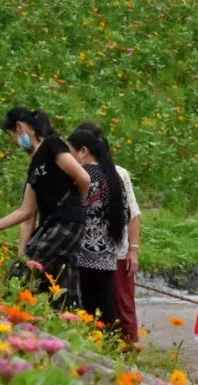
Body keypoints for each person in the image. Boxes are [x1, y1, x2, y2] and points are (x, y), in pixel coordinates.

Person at [0, 108, 91, 305]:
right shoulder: (35, 165)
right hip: (52, 225)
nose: (15, 142)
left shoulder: (52, 145)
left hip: (65, 223)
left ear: (20, 127)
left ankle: (6, 313)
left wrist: (75, 206)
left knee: (20, 276)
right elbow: (26, 212)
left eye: (12, 136)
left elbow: (83, 178)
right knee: (63, 289)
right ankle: (70, 324)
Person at [75, 122, 143, 346]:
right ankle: (116, 350)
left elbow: (133, 214)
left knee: (119, 305)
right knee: (109, 305)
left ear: (85, 149)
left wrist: (133, 250)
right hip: (110, 251)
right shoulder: (111, 174)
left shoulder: (115, 174)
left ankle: (126, 348)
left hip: (110, 253)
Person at [66, 125, 131, 328]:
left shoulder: (84, 176)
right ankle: (109, 344)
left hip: (84, 254)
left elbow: (72, 210)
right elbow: (127, 214)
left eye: (71, 152)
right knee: (105, 307)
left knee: (84, 308)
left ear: (83, 151)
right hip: (108, 255)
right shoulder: (114, 177)